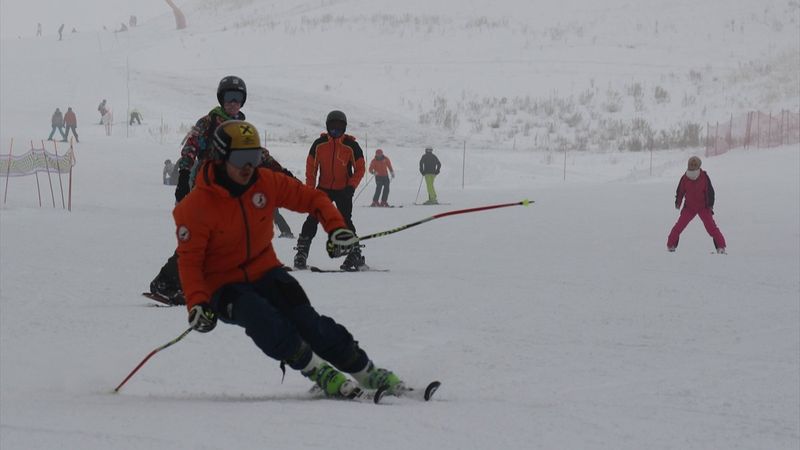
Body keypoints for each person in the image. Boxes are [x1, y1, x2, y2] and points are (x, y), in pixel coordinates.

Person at [175, 120, 404, 398]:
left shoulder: (265, 182)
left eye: (254, 157)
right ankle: (315, 369)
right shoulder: (195, 208)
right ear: (221, 158)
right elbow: (189, 263)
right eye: (240, 158)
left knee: (308, 321)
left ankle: (365, 371)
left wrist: (336, 227)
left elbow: (313, 199)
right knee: (260, 317)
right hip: (223, 287)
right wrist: (197, 302)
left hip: (265, 271)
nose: (249, 166)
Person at [149, 75, 248, 304]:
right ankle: (166, 282)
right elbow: (190, 148)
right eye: (229, 98)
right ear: (221, 99)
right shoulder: (209, 122)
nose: (233, 103)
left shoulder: (242, 127)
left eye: (238, 98)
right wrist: (183, 177)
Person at [293, 110, 367, 271]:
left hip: (344, 190)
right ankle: (301, 252)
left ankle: (355, 254)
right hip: (323, 189)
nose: (336, 130)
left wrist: (351, 186)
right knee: (312, 219)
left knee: (345, 220)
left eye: (339, 127)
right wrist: (310, 190)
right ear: (327, 127)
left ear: (345, 128)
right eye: (332, 127)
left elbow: (360, 168)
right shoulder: (319, 144)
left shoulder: (351, 145)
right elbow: (311, 169)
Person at [667, 156, 727, 253]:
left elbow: (710, 192)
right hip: (689, 208)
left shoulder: (704, 176)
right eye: (691, 164)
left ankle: (721, 247)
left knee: (711, 228)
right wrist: (678, 202)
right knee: (679, 226)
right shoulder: (685, 178)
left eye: (695, 165)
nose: (693, 166)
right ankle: (671, 245)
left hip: (703, 207)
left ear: (699, 165)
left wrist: (710, 205)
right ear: (688, 165)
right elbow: (680, 191)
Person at [262, 148, 295, 239]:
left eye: (263, 155)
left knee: (274, 214)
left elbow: (284, 173)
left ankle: (286, 232)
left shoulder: (272, 164)